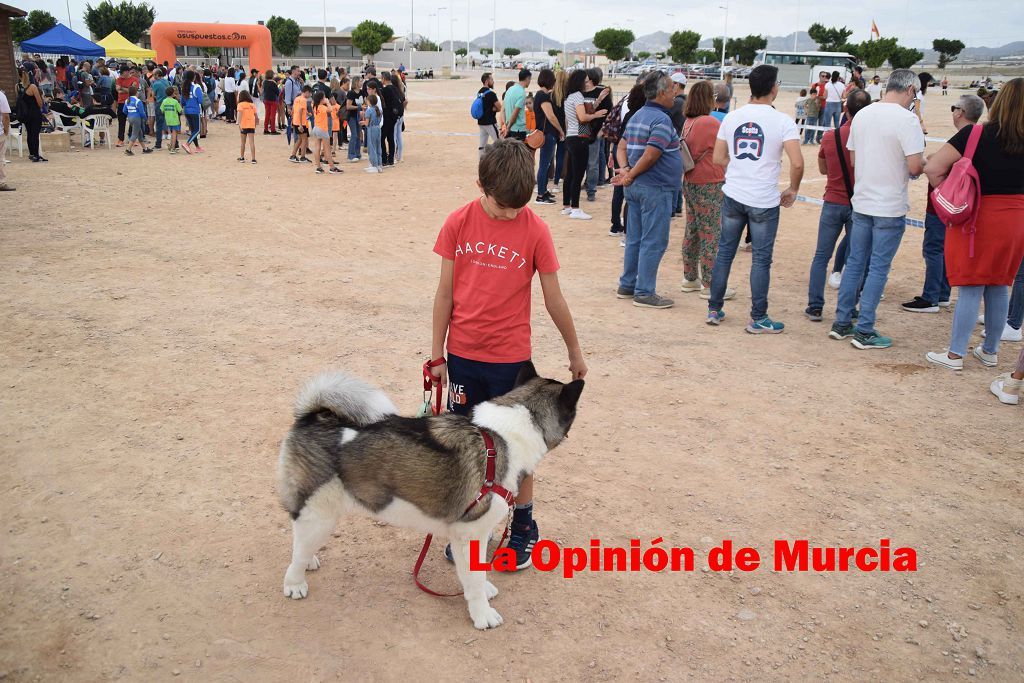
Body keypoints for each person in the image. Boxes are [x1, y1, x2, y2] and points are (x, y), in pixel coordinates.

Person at [429, 139, 587, 570]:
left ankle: (522, 526)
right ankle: (470, 525)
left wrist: (574, 350)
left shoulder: (535, 229)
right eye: (503, 208)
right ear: (481, 184)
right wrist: (437, 354)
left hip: (510, 363)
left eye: (518, 208)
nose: (510, 216)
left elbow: (553, 296)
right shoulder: (458, 223)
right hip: (462, 355)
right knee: (467, 447)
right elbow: (445, 292)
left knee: (518, 448)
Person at [924, 78, 1024, 370]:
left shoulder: (977, 134)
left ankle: (955, 354)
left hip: (979, 215)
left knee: (970, 283)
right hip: (1017, 218)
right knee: (999, 283)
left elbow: (933, 167)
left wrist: (947, 193)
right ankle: (990, 350)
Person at [829, 69, 925, 349]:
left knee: (855, 263)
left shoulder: (863, 114)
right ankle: (865, 328)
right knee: (878, 268)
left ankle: (842, 321)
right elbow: (916, 166)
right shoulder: (907, 120)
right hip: (889, 206)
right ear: (909, 90)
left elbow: (854, 158)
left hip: (863, 201)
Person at [706, 64, 803, 332]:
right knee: (761, 259)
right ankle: (758, 317)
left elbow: (717, 158)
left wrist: (737, 170)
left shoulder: (732, 117)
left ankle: (714, 308)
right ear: (774, 88)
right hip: (764, 199)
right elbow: (797, 162)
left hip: (734, 195)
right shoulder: (783, 121)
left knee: (725, 252)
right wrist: (793, 189)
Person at [903, 94, 985, 313]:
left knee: (933, 249)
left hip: (944, 206)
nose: (953, 112)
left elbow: (934, 168)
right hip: (964, 206)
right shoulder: (980, 138)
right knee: (944, 249)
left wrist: (939, 190)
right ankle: (942, 293)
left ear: (961, 112)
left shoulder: (964, 137)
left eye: (954, 108)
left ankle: (930, 296)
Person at [611, 70, 681, 309]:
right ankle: (644, 291)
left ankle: (628, 284)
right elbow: (652, 154)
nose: (675, 93)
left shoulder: (638, 115)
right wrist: (629, 172)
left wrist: (626, 170)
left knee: (635, 238)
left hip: (637, 188)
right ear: (661, 92)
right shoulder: (661, 120)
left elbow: (620, 147)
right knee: (654, 241)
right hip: (655, 188)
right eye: (672, 88)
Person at [805, 89, 873, 321]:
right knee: (857, 258)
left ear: (846, 109)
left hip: (832, 200)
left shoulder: (830, 137)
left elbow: (823, 169)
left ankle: (815, 305)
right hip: (859, 204)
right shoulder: (870, 139)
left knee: (821, 256)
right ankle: (849, 306)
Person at [679, 80, 726, 296]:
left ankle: (690, 277)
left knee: (693, 229)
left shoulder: (688, 122)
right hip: (710, 182)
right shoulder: (710, 122)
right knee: (711, 232)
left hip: (691, 181)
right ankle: (710, 283)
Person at [561, 70, 608, 220]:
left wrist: (598, 100)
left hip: (571, 136)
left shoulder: (568, 97)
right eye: (586, 81)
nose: (587, 83)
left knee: (570, 174)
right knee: (578, 174)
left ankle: (567, 206)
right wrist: (596, 115)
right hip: (580, 137)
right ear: (579, 81)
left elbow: (579, 114)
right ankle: (575, 208)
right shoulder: (578, 96)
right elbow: (582, 117)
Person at [533, 68, 564, 205]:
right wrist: (561, 130)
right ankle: (540, 195)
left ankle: (544, 191)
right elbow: (550, 116)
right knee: (544, 165)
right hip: (548, 134)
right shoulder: (543, 96)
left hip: (545, 134)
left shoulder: (540, 95)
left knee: (546, 164)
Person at [583, 67, 611, 202]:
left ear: (591, 79)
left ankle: (591, 190)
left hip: (595, 133)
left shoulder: (602, 92)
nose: (584, 80)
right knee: (579, 162)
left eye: (586, 78)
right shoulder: (579, 93)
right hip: (580, 132)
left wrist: (602, 131)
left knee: (592, 163)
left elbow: (609, 113)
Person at [668, 72, 688, 216]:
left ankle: (674, 208)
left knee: (673, 177)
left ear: (676, 85)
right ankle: (678, 207)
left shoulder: (677, 102)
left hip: (674, 142)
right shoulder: (687, 101)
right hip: (683, 141)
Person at [309, 91, 340, 175]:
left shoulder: (314, 106)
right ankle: (332, 167)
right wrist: (327, 102)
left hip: (316, 128)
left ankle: (319, 167)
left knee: (317, 148)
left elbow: (312, 102)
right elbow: (330, 110)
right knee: (327, 149)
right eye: (324, 97)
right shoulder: (322, 107)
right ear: (321, 99)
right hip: (322, 129)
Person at [502, 69, 531, 142]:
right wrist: (508, 128)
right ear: (527, 78)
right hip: (518, 130)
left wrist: (505, 125)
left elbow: (503, 110)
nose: (530, 82)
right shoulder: (522, 93)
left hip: (509, 127)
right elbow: (515, 113)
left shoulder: (510, 89)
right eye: (530, 79)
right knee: (518, 153)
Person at [121, 85, 151, 155]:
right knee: (134, 134)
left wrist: (129, 114)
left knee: (139, 133)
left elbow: (124, 110)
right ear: (136, 92)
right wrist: (146, 119)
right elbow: (142, 112)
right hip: (136, 118)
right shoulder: (138, 101)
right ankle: (128, 149)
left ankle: (144, 148)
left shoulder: (127, 100)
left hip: (130, 118)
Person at [380, 71, 401, 166]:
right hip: (394, 117)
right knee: (391, 138)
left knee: (382, 138)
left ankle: (384, 159)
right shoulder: (395, 89)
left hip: (386, 116)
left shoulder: (385, 90)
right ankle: (391, 159)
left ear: (384, 79)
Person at [181, 71, 204, 154]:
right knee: (197, 130)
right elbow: (201, 100)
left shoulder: (184, 87)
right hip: (195, 110)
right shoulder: (196, 87)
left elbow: (182, 101)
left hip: (187, 110)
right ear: (193, 77)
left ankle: (197, 147)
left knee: (193, 129)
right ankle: (187, 144)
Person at [114, 66, 138, 146]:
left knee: (133, 121)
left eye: (122, 72)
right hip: (121, 102)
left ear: (127, 72)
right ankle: (120, 139)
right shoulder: (118, 79)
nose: (121, 74)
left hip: (131, 102)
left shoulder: (134, 79)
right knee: (121, 121)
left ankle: (132, 138)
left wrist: (123, 88)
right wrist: (127, 89)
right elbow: (118, 90)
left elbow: (133, 91)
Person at [289, 85, 311, 164]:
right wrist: (301, 124)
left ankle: (293, 155)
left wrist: (292, 121)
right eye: (309, 94)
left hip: (296, 121)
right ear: (307, 92)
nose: (309, 95)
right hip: (301, 122)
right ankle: (302, 157)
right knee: (304, 139)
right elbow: (300, 111)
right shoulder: (303, 100)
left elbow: (294, 111)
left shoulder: (296, 99)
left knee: (300, 139)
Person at [236, 90, 258, 164]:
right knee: (252, 142)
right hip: (251, 124)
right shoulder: (252, 105)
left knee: (243, 142)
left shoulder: (240, 105)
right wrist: (255, 124)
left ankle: (242, 157)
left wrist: (238, 124)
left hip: (243, 125)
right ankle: (253, 159)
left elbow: (240, 115)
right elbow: (256, 116)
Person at [364, 92, 383, 174]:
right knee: (378, 146)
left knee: (372, 147)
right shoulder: (378, 109)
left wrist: (363, 122)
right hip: (378, 128)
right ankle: (379, 164)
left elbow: (367, 123)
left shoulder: (369, 110)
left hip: (371, 129)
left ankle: (374, 165)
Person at [160, 85, 182, 154]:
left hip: (168, 119)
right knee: (174, 134)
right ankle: (173, 148)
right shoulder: (175, 101)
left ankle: (171, 146)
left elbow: (161, 110)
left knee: (172, 133)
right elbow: (180, 110)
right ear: (173, 93)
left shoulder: (164, 101)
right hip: (174, 120)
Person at [345, 76, 363, 162]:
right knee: (354, 135)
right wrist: (359, 107)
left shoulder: (362, 92)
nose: (361, 82)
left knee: (359, 136)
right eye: (360, 81)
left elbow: (366, 101)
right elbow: (348, 106)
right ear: (356, 82)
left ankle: (358, 154)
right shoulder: (351, 93)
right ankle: (351, 155)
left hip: (359, 116)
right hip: (351, 116)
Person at [151, 68, 169, 149]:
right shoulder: (167, 81)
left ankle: (158, 144)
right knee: (171, 123)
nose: (153, 76)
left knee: (159, 124)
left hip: (160, 104)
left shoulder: (156, 83)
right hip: (168, 103)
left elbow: (153, 94)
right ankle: (175, 143)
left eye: (154, 74)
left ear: (157, 75)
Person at [0, 86, 13, 190]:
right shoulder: (1, 96)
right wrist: (6, 129)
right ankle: (1, 182)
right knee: (0, 158)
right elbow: (6, 116)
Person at [262, 70, 280, 135]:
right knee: (273, 115)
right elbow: (277, 92)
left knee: (267, 115)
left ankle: (265, 129)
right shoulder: (273, 83)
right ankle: (273, 130)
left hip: (266, 100)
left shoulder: (264, 82)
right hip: (273, 100)